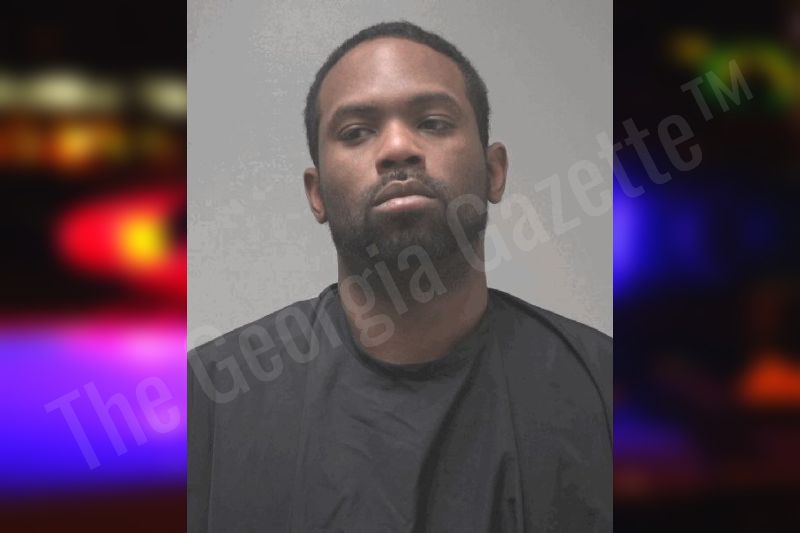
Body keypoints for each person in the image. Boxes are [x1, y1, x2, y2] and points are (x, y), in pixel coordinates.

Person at [188, 21, 611, 532]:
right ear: (317, 194)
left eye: (433, 122)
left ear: (494, 171)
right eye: (355, 132)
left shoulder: (608, 388)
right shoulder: (208, 402)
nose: (397, 147)